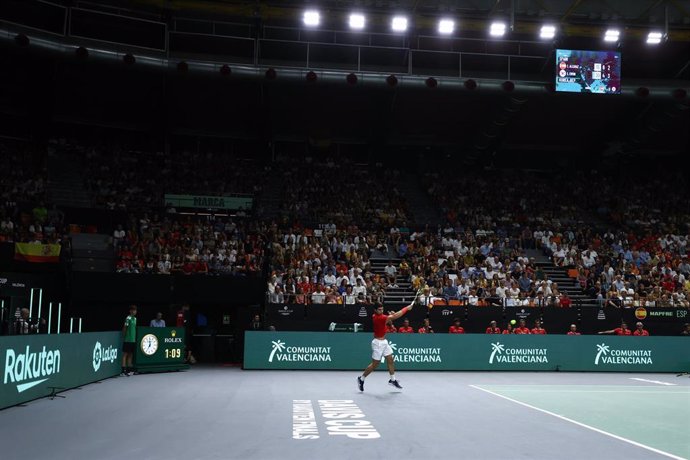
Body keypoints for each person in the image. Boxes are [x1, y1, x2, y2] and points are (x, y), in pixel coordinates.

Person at [357, 300, 414, 391]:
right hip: (377, 343)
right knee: (375, 364)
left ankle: (392, 380)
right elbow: (395, 316)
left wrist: (390, 316)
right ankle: (361, 378)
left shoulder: (377, 316)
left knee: (390, 359)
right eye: (379, 310)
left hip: (384, 342)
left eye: (382, 309)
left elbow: (390, 318)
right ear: (375, 310)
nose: (381, 311)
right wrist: (407, 308)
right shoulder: (379, 318)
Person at [121, 305, 137, 376]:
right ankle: (123, 371)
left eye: (135, 310)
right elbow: (125, 327)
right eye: (133, 310)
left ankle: (128, 370)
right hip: (127, 339)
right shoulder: (128, 318)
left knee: (131, 354)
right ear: (130, 311)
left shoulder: (135, 319)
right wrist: (124, 336)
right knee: (125, 354)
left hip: (133, 340)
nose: (134, 311)